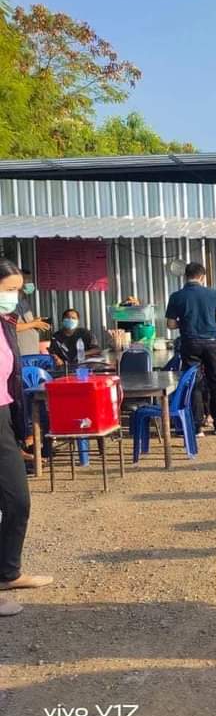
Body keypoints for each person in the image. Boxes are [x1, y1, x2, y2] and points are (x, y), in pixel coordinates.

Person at [0, 259, 54, 617]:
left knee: (17, 499)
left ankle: (7, 572)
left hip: (2, 414)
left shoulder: (4, 324)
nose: (14, 298)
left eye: (17, 290)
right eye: (8, 290)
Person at [165, 262, 216, 435]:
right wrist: (209, 321)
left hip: (190, 342)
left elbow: (170, 324)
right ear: (202, 277)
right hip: (211, 342)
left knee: (193, 382)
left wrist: (185, 322)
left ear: (186, 276)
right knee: (215, 381)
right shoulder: (213, 293)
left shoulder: (176, 296)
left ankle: (196, 426)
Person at [13, 269, 48, 357]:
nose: (30, 283)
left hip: (31, 350)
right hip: (20, 352)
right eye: (27, 280)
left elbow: (25, 322)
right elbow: (12, 326)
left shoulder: (23, 301)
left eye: (30, 280)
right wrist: (34, 324)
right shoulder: (9, 303)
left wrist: (35, 321)